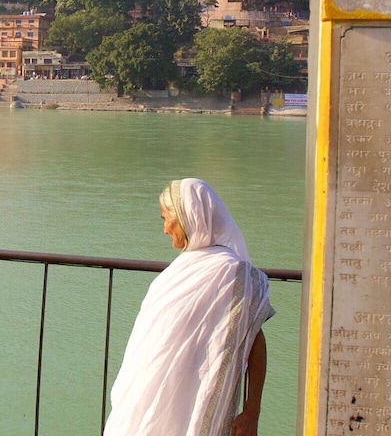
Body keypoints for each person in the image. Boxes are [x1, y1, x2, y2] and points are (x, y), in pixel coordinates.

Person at [104, 178, 274, 436]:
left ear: (187, 217)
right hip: (151, 397)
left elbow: (255, 341)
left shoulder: (236, 274)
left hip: (202, 399)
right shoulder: (177, 272)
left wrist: (252, 411)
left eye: (165, 218)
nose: (164, 229)